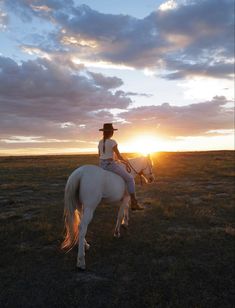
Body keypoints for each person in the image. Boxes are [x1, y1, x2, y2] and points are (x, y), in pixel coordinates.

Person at [98, 123, 143, 211]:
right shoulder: (113, 142)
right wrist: (124, 160)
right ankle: (134, 202)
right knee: (130, 179)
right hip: (110, 165)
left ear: (104, 132)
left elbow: (100, 155)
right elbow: (118, 156)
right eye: (112, 131)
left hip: (101, 165)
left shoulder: (100, 142)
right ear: (111, 132)